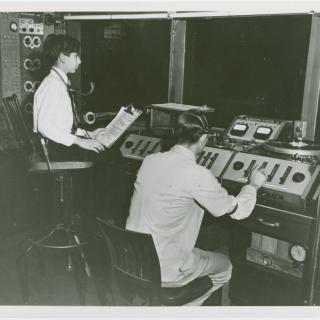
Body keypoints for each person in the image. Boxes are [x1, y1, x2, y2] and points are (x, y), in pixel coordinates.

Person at [126, 109, 266, 306]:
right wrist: (253, 185)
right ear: (203, 139)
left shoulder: (150, 161)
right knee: (225, 267)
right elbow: (238, 211)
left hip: (131, 259)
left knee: (205, 244)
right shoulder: (198, 174)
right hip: (165, 271)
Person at [33, 34, 128, 226]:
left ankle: (97, 213)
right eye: (76, 55)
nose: (80, 60)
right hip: (53, 150)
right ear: (62, 57)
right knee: (111, 158)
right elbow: (44, 126)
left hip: (57, 145)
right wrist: (80, 141)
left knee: (107, 150)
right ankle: (106, 217)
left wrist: (89, 134)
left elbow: (62, 125)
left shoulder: (59, 82)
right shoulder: (52, 85)